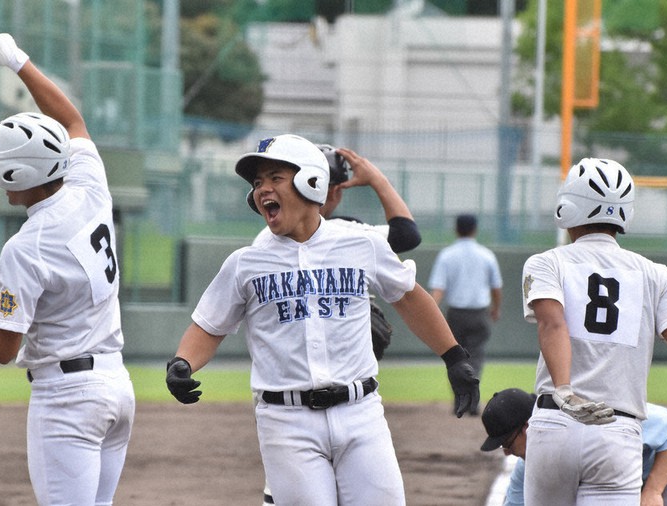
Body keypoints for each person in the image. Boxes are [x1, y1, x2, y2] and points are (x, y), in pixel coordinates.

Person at [164, 134, 480, 505]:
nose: (263, 189)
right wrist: (183, 362)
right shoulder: (246, 262)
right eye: (258, 183)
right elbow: (209, 326)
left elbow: (409, 297)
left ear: (311, 181)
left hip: (361, 413)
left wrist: (454, 356)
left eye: (275, 178)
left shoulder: (360, 243)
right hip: (286, 421)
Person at [0, 33, 135, 505]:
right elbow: (72, 121)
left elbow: (3, 350)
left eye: (3, 162)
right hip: (116, 386)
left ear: (20, 174)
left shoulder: (26, 248)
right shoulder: (89, 184)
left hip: (68, 399)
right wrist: (19, 62)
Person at [520, 157, 667, 504]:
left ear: (567, 206)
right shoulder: (656, 274)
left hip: (555, 422)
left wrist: (564, 389)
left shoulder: (546, 262)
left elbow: (552, 323)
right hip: (617, 434)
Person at [253, 144, 421, 505]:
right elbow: (408, 234)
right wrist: (376, 180)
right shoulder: (352, 232)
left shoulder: (265, 241)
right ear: (333, 191)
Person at [479, 388, 667, 506]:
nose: (506, 452)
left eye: (507, 443)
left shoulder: (592, 422)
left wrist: (653, 492)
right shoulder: (529, 467)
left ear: (528, 427)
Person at [428, 213, 502, 415]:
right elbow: (496, 287)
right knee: (475, 358)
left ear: (456, 229)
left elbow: (438, 289)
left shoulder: (446, 255)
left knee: (455, 358)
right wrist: (496, 308)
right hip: (479, 314)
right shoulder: (487, 255)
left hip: (456, 315)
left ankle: (459, 402)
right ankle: (473, 403)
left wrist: (431, 312)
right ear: (475, 229)